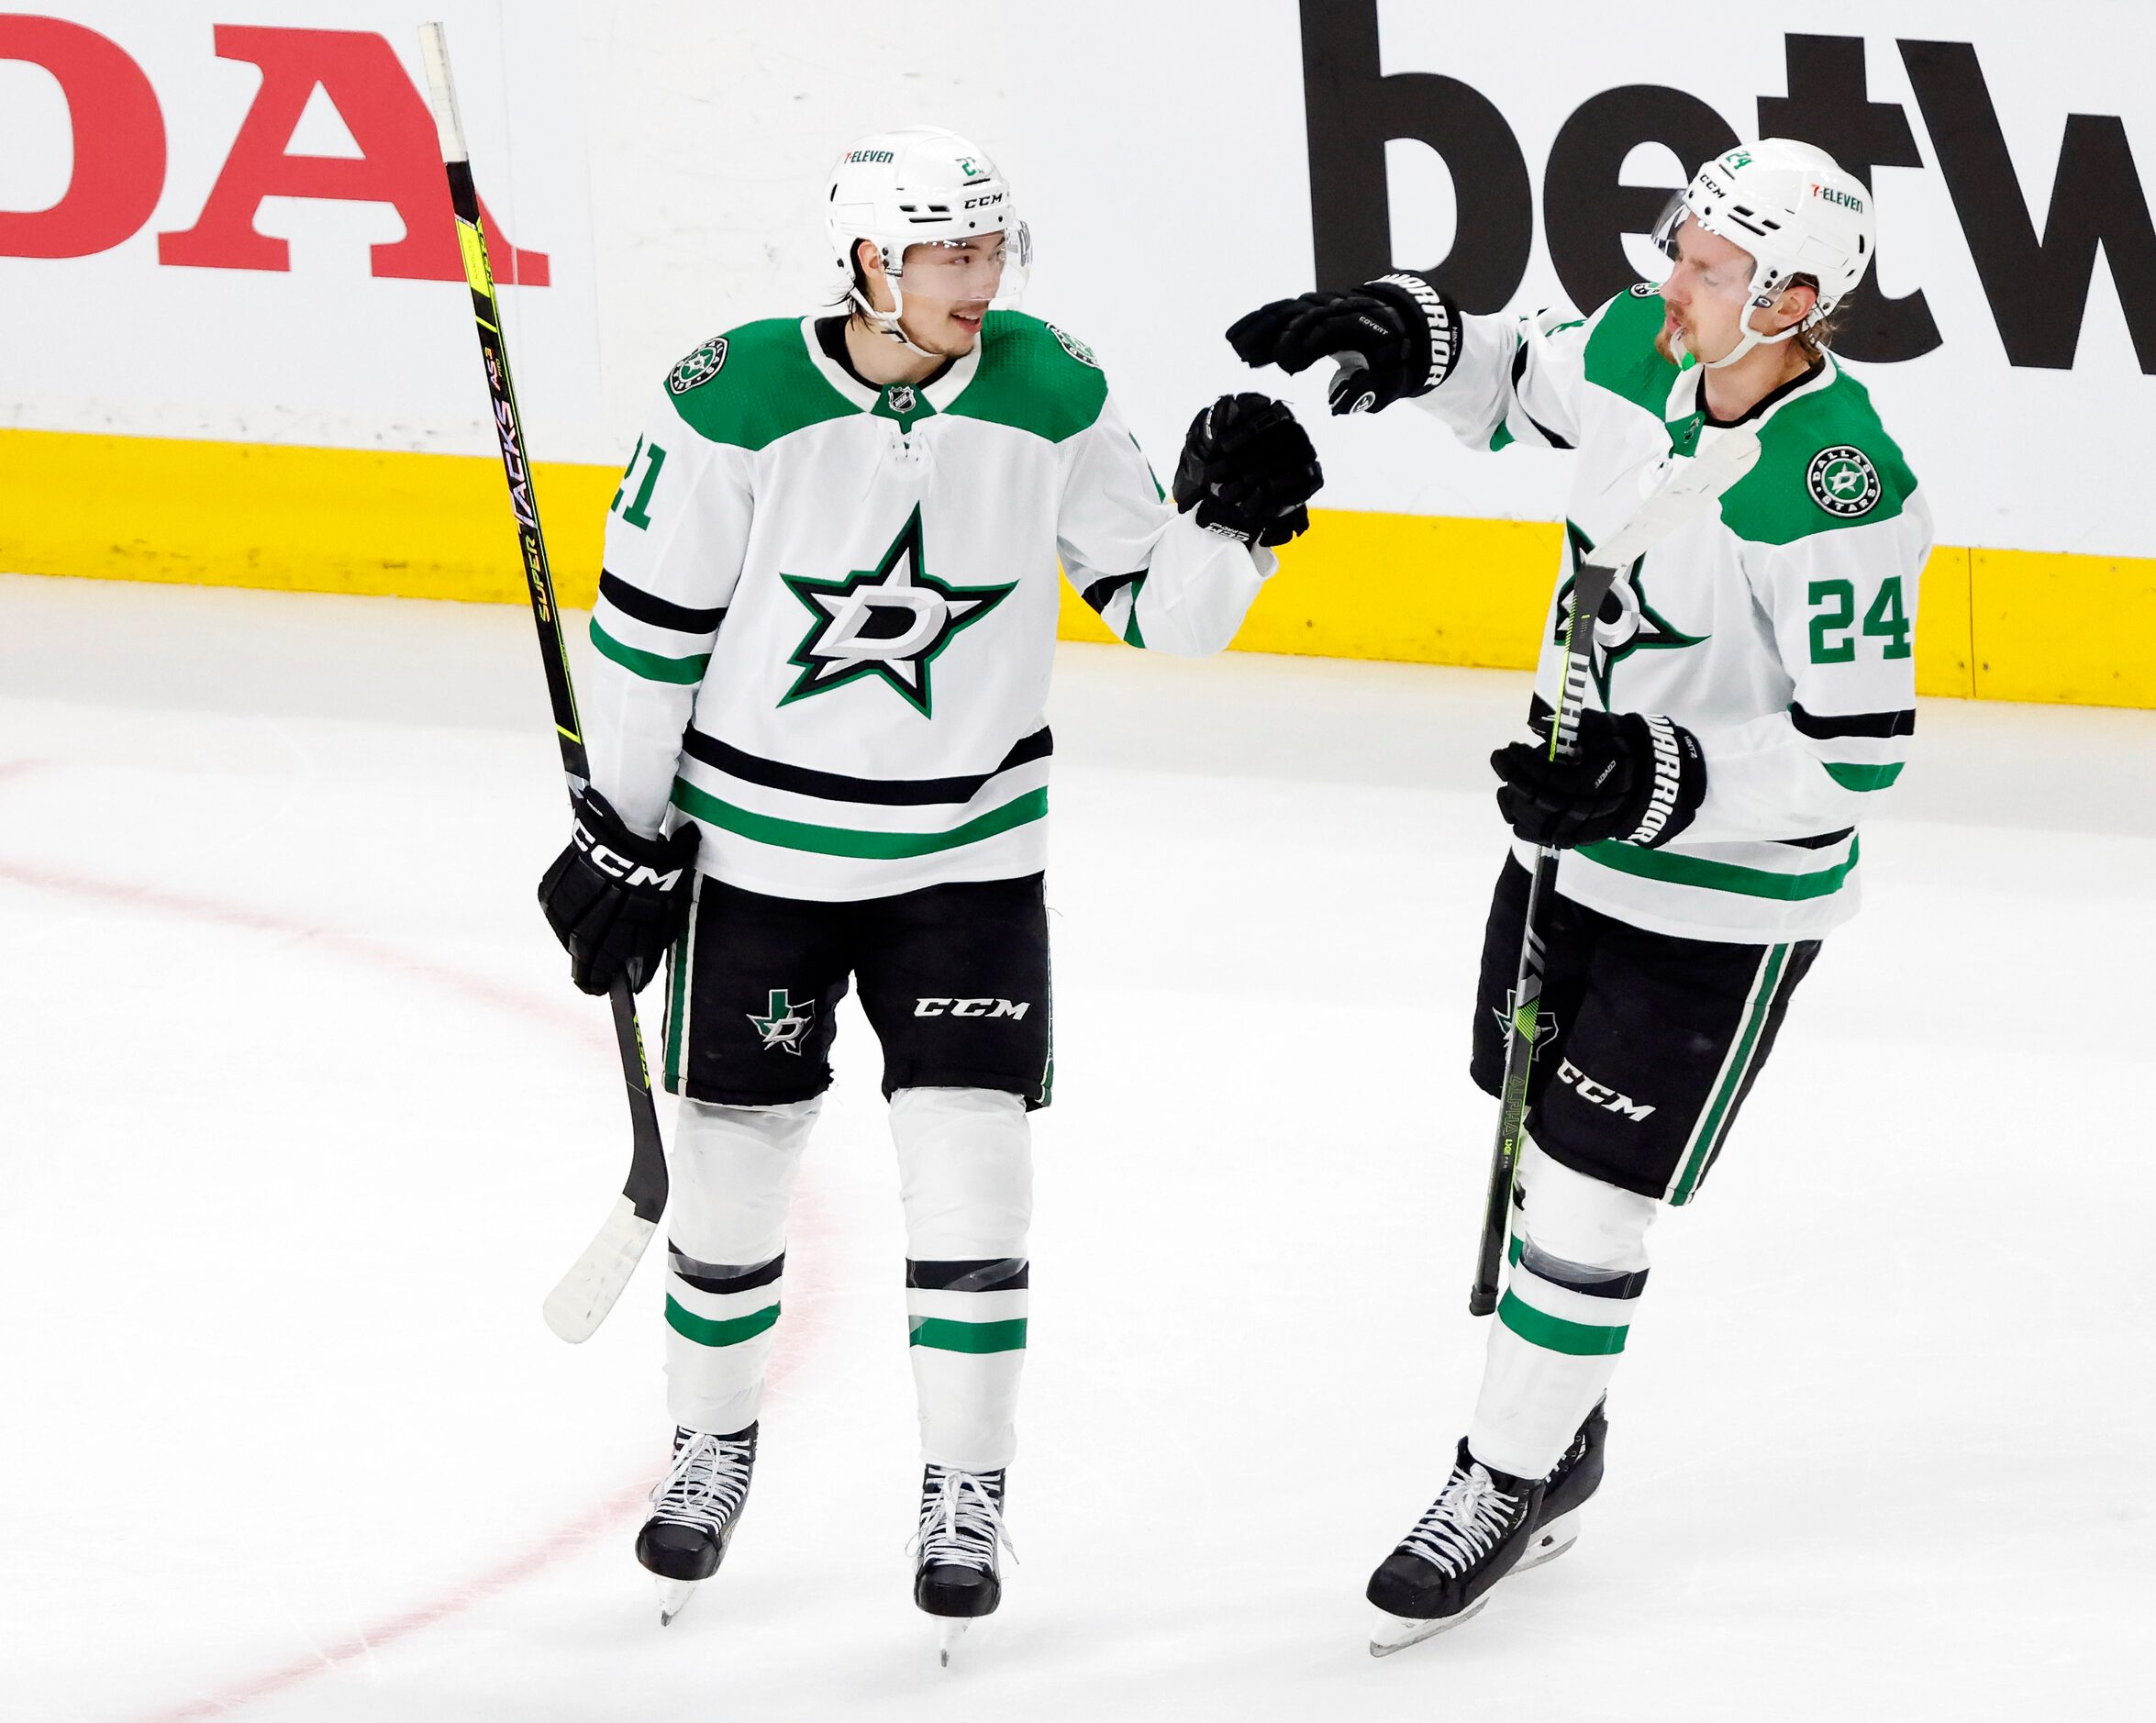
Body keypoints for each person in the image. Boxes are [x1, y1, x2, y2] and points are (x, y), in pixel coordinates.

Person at [537, 125, 1321, 1649]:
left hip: (969, 857)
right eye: (947, 254)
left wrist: (1236, 531)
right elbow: (643, 639)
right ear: (865, 266)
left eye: (990, 249)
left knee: (972, 1170)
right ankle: (710, 1445)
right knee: (731, 1170)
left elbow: (1168, 618)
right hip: (758, 859)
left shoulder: (1051, 392)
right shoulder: (734, 400)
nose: (980, 279)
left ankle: (966, 1487)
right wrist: (625, 836)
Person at [1228, 139, 1930, 1651]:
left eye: (1704, 264)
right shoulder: (1641, 342)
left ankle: (1503, 1473)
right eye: (1676, 244)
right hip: (1569, 843)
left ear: (1794, 300)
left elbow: (1853, 758)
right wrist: (1408, 336)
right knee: (1531, 1132)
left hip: (1722, 902)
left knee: (1593, 1202)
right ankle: (1565, 1424)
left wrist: (1661, 777)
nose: (1664, 279)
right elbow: (1514, 375)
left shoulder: (1841, 489)